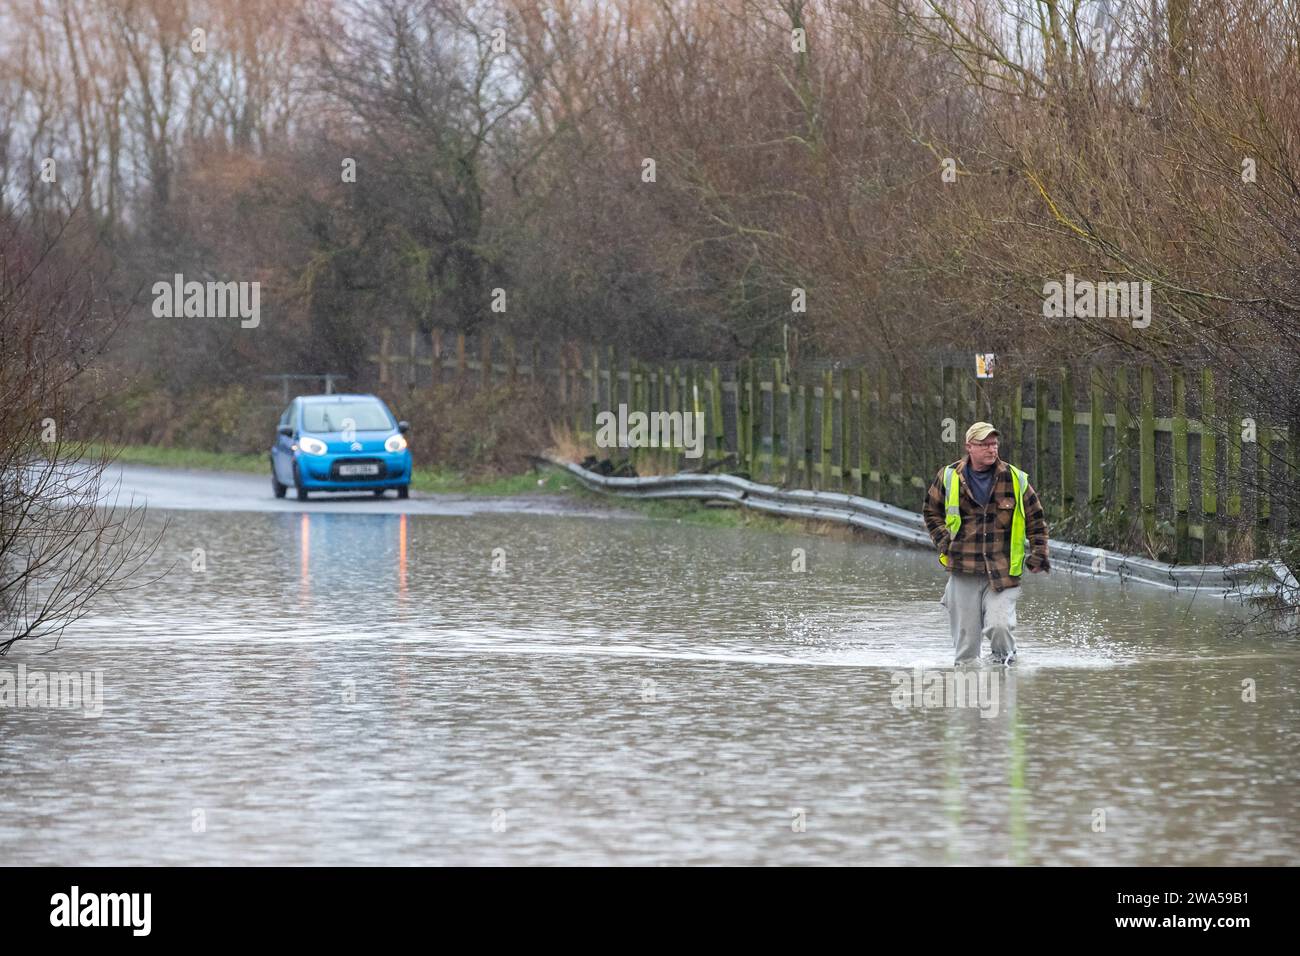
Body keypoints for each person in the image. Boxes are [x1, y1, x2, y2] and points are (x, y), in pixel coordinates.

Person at [921, 422, 1051, 665]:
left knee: (1000, 627)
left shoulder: (1016, 479)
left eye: (994, 444)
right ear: (969, 447)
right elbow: (931, 512)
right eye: (984, 445)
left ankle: (1005, 679)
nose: (992, 449)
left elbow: (1036, 520)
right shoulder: (948, 477)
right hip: (963, 570)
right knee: (967, 649)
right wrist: (944, 542)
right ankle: (967, 696)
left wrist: (1038, 554)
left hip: (1002, 571)